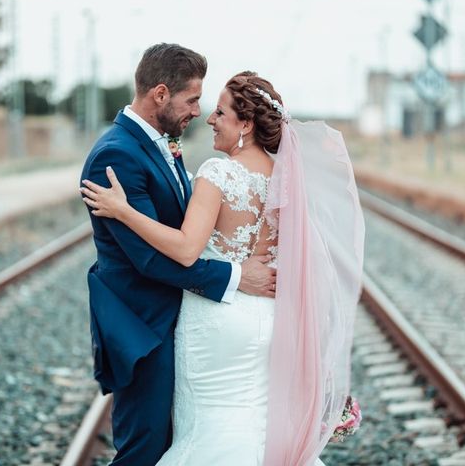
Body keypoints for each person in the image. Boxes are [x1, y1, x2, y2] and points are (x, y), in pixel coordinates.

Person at [81, 70, 365, 465]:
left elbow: (184, 250)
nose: (209, 118)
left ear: (245, 124)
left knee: (211, 429)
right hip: (269, 316)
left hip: (220, 322)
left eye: (219, 112)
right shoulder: (286, 179)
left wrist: (124, 211)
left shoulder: (218, 173)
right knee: (257, 425)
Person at [79, 44, 277, 466]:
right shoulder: (116, 156)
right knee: (144, 449)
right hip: (144, 326)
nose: (199, 112)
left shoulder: (162, 144)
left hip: (186, 323)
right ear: (161, 95)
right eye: (192, 101)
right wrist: (237, 276)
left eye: (210, 106)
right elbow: (149, 259)